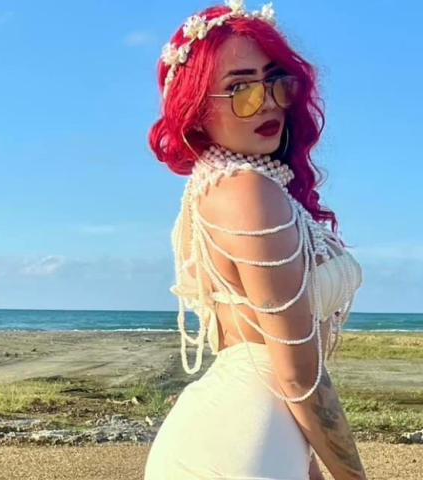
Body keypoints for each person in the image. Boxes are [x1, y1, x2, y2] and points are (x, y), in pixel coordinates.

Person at [144, 1, 367, 478]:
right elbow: (298, 374)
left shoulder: (216, 187)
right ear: (196, 109)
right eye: (239, 88)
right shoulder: (247, 191)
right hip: (246, 442)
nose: (265, 101)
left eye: (275, 81)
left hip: (253, 434)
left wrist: (307, 463)